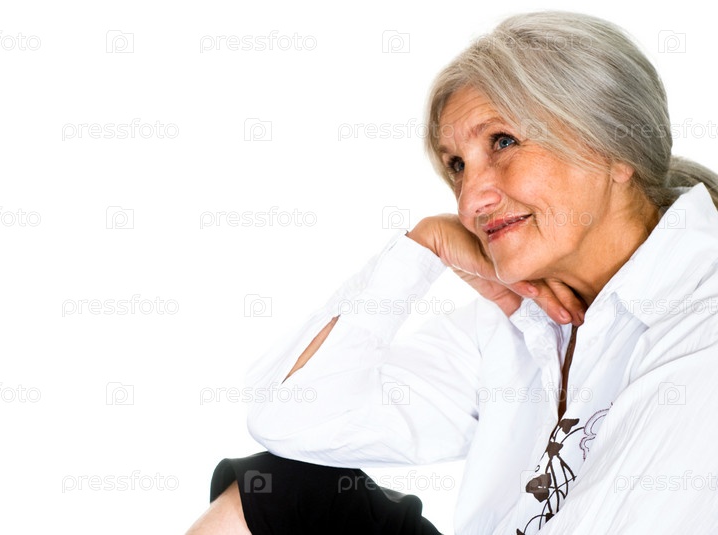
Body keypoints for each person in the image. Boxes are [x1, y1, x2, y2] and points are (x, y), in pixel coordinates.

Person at [187, 10, 718, 534]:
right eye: (458, 166)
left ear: (614, 147)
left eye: (503, 142)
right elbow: (295, 420)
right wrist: (422, 250)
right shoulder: (515, 319)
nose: (469, 203)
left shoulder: (701, 321)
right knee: (279, 489)